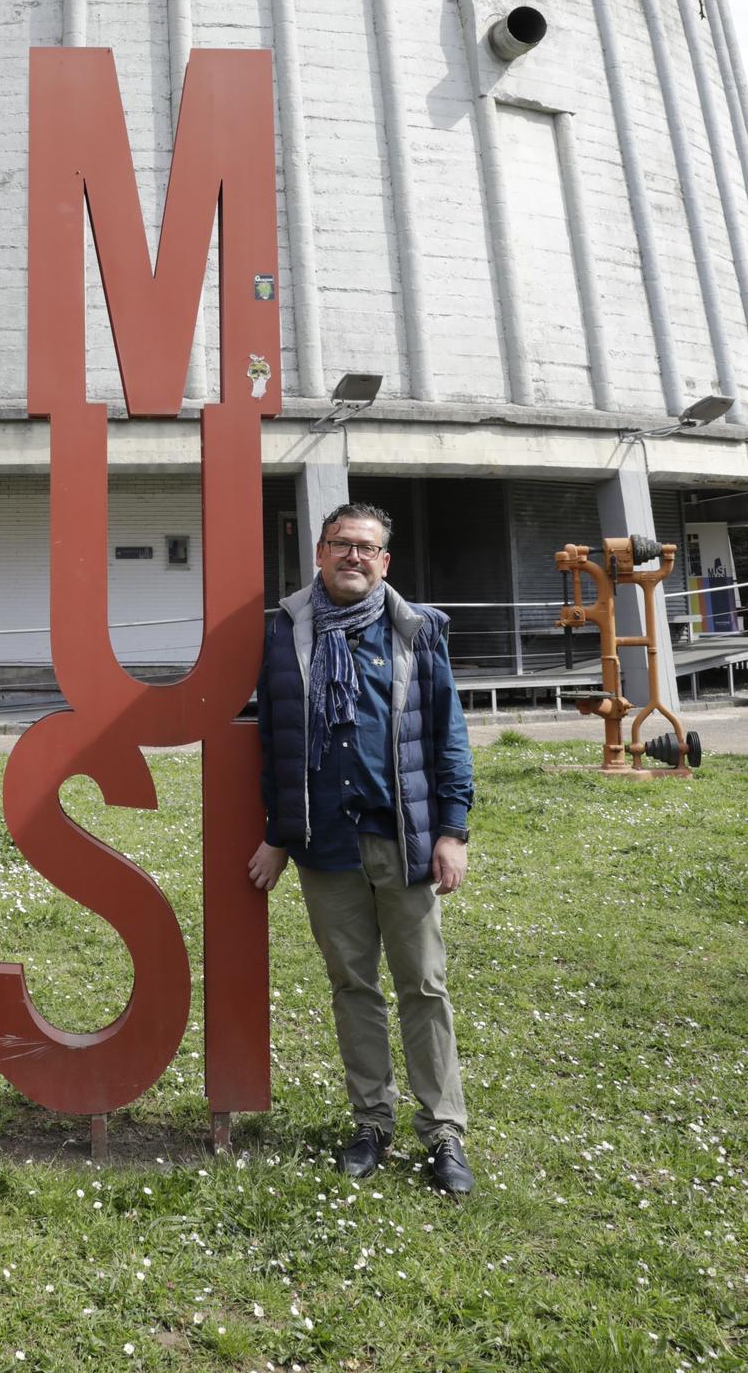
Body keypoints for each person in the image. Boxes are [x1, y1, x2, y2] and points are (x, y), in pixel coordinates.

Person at [248, 501, 475, 1196]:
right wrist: (280, 835)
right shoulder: (283, 634)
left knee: (423, 987)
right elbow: (274, 743)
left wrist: (452, 830)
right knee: (353, 988)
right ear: (317, 553)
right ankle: (369, 1121)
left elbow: (447, 734)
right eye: (340, 544)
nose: (353, 557)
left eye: (366, 548)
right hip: (326, 845)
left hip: (401, 837)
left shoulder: (416, 632)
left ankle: (442, 1133)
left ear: (384, 563)